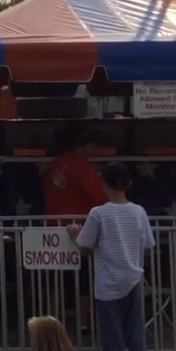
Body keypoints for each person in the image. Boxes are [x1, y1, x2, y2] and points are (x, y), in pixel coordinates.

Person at [66, 162, 154, 351]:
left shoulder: (98, 213)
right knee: (136, 333)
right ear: (129, 184)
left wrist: (75, 233)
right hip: (133, 279)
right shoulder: (139, 211)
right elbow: (147, 243)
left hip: (106, 284)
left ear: (103, 183)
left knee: (112, 336)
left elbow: (85, 248)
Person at [42, 130, 107, 329]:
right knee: (83, 278)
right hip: (78, 228)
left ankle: (50, 320)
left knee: (57, 277)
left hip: (54, 226)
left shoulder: (54, 165)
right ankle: (83, 322)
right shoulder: (82, 166)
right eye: (94, 145)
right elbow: (99, 196)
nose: (96, 150)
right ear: (83, 145)